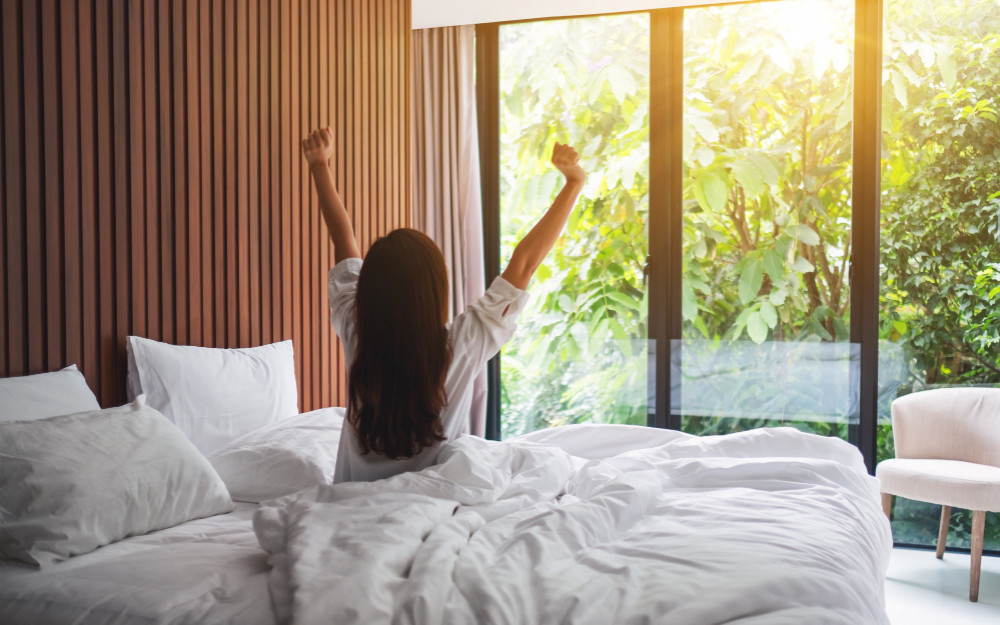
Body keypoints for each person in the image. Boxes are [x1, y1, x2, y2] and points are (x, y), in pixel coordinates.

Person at [301, 126, 586, 483]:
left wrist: (319, 166)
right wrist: (573, 184)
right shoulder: (464, 343)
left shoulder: (356, 329)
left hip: (350, 506)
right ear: (436, 290)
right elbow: (525, 263)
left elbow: (342, 239)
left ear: (370, 290)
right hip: (430, 506)